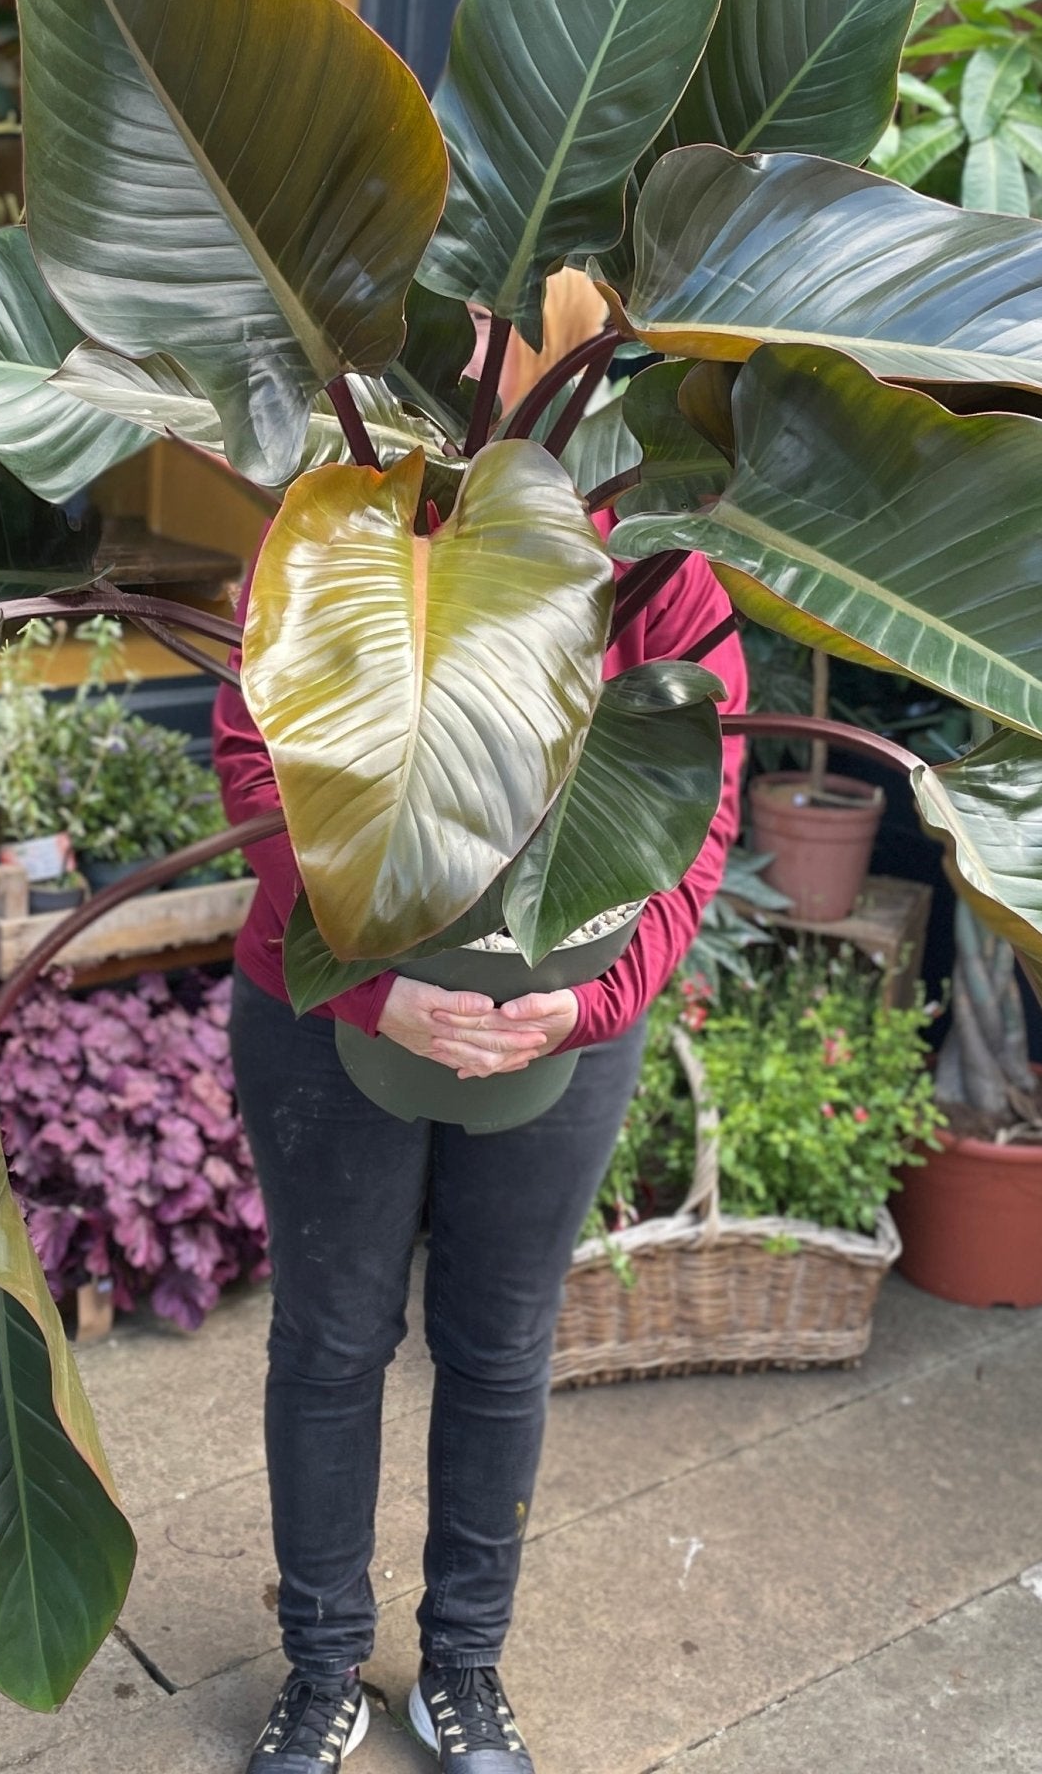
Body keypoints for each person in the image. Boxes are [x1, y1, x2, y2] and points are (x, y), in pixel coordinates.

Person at [214, 528, 748, 1772]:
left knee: (500, 1341)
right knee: (331, 1335)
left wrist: (585, 1004)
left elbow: (696, 805)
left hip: (560, 1018)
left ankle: (461, 1664)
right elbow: (258, 763)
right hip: (328, 1004)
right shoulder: (349, 513)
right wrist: (365, 983)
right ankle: (321, 1666)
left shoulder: (662, 567)